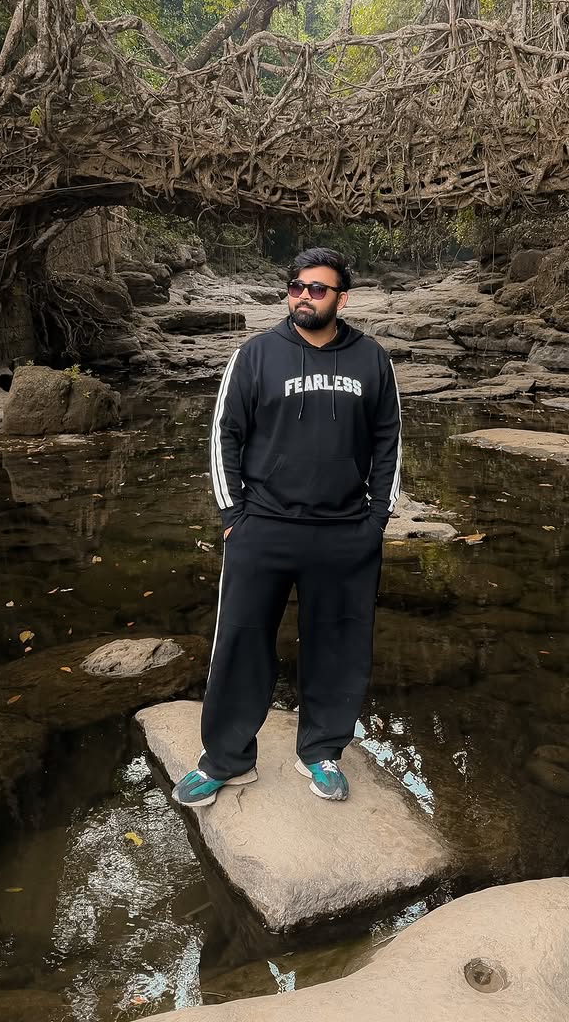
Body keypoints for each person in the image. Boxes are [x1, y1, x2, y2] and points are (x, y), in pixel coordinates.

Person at [173, 246, 402, 807]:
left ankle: (320, 751)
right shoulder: (255, 355)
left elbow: (388, 441)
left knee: (339, 646)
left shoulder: (372, 359)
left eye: (317, 288)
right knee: (240, 643)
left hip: (345, 532)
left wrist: (375, 520)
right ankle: (225, 759)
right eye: (296, 286)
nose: (303, 295)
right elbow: (224, 435)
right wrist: (234, 517)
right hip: (264, 528)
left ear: (341, 299)